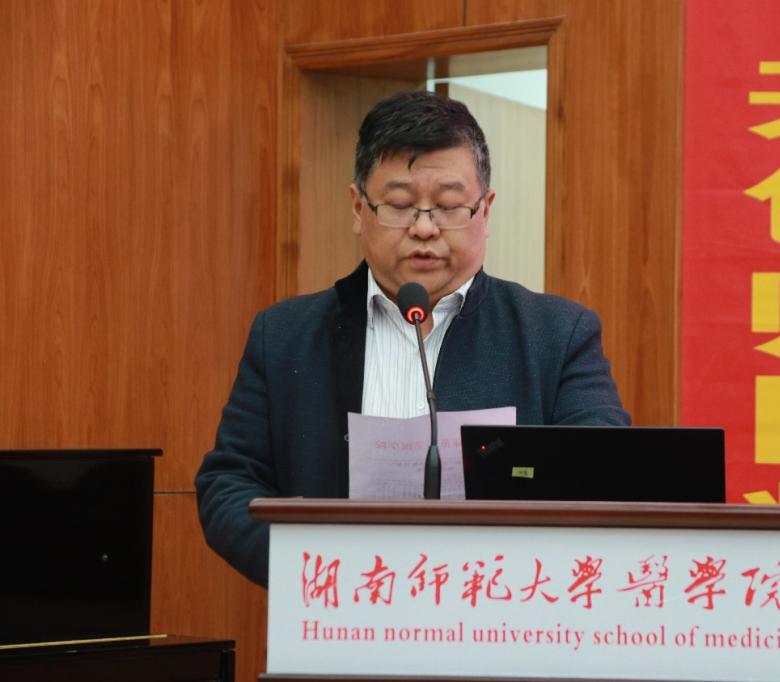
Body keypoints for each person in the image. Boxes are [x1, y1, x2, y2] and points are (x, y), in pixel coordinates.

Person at [195, 91, 629, 586]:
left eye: (448, 206)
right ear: (358, 207)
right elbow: (228, 484)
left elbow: (604, 476)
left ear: (485, 210)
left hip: (499, 613)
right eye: (400, 205)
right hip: (336, 615)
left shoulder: (556, 335)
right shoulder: (285, 335)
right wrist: (316, 571)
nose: (424, 228)